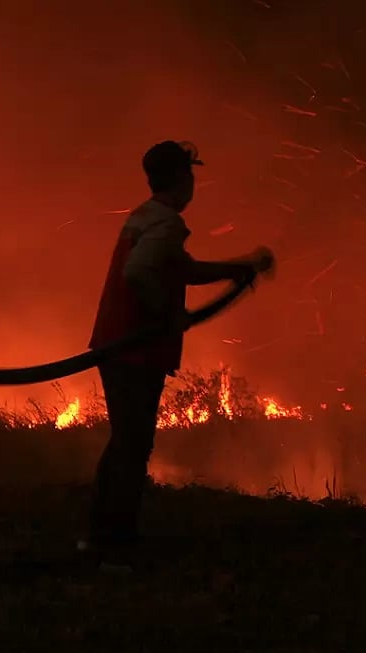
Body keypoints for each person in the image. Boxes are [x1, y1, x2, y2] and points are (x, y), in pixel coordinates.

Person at [85, 139, 275, 568]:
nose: (194, 186)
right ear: (181, 180)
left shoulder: (145, 218)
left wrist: (238, 267)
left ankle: (103, 532)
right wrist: (165, 315)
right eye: (191, 177)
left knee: (125, 443)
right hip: (133, 349)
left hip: (119, 346)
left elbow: (181, 270)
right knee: (133, 445)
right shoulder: (166, 223)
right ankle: (114, 540)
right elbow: (139, 273)